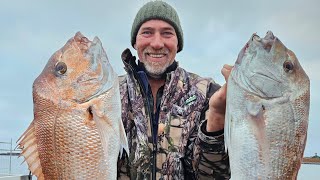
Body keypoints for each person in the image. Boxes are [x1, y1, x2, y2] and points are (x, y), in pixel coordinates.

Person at [117, 1, 232, 179]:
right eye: (147, 32)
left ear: (178, 44)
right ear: (135, 42)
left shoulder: (209, 94)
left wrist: (217, 116)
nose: (156, 43)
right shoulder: (109, 95)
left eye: (167, 33)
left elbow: (213, 176)